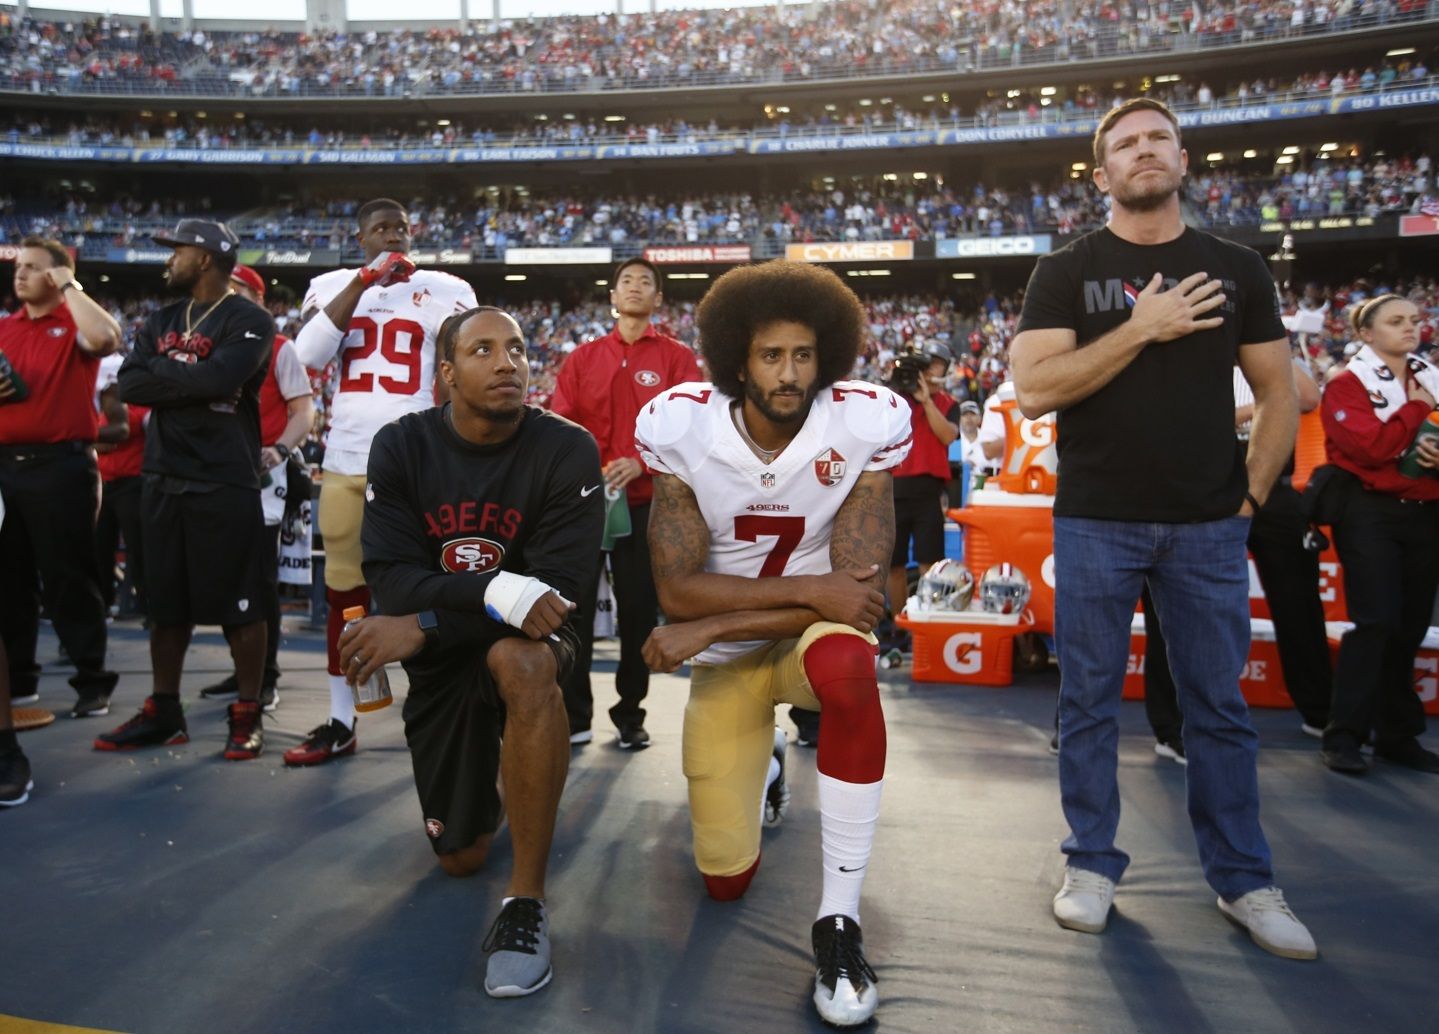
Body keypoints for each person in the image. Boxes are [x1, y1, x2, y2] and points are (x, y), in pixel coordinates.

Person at [1011, 98, 1316, 960]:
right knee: (1087, 702)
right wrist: (1140, 328)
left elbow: (1280, 394)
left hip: (1207, 527)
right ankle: (1091, 864)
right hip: (1097, 520)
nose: (1144, 152)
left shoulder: (1236, 266)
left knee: (1218, 708)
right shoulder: (1066, 269)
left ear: (1183, 161)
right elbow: (1035, 389)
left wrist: (1250, 500)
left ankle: (1244, 880)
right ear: (1101, 175)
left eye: (1158, 140)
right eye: (1125, 145)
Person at [635, 261, 912, 1027]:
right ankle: (766, 770)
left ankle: (838, 924)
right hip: (728, 669)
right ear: (736, 358)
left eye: (802, 355)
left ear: (828, 357)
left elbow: (853, 603)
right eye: (769, 356)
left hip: (802, 644)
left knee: (848, 664)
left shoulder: (862, 421)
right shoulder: (677, 425)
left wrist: (716, 622)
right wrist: (801, 593)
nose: (787, 375)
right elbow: (677, 592)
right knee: (723, 881)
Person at [340, 307, 603, 998]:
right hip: (449, 646)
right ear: (447, 374)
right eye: (483, 350)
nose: (508, 362)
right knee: (460, 856)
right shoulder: (401, 445)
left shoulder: (568, 448)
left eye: (516, 348)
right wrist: (490, 592)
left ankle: (525, 903)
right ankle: (500, 775)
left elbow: (555, 598)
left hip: (534, 643)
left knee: (519, 660)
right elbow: (390, 579)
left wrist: (425, 620)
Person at [290, 198, 477, 767]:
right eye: (380, 228)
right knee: (345, 595)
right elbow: (306, 357)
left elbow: (462, 366)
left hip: (418, 459)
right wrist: (364, 283)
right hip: (347, 458)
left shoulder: (447, 287)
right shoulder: (331, 284)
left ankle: (444, 709)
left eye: (400, 227)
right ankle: (345, 717)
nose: (392, 235)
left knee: (431, 587)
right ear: (361, 236)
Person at [99, 219, 276, 761]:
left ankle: (247, 711)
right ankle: (164, 711)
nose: (169, 260)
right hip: (162, 475)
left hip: (224, 476)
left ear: (204, 257)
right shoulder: (161, 318)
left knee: (241, 604)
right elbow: (131, 384)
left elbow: (221, 381)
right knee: (165, 606)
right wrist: (190, 373)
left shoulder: (249, 318)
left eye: (177, 251)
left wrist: (167, 371)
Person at [1144, 357, 1335, 760]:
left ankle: (1321, 711)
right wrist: (1267, 405)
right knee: (1178, 608)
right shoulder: (1181, 345)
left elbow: (1305, 396)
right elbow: (1184, 420)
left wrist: (1261, 365)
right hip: (1199, 483)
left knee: (1299, 603)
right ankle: (1172, 726)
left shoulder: (1268, 344)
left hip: (1271, 479)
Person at [549, 257, 701, 749]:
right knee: (572, 610)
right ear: (613, 296)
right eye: (626, 281)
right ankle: (574, 714)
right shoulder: (582, 358)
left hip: (646, 505)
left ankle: (630, 710)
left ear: (658, 299)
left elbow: (689, 426)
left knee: (638, 612)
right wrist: (589, 468)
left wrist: (642, 460)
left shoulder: (677, 359)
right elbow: (562, 424)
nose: (635, 288)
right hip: (584, 504)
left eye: (645, 283)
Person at [1315, 294, 1439, 775]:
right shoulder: (1346, 383)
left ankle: (1396, 736)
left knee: (1408, 627)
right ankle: (1343, 735)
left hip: (1426, 512)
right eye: (1396, 321)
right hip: (1370, 512)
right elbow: (1372, 448)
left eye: (1414, 319)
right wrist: (1416, 412)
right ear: (1366, 334)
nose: (1411, 327)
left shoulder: (1428, 375)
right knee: (1375, 622)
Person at [0, 236, 122, 718]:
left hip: (60, 465)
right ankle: (20, 678)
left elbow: (107, 338)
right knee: (8, 581)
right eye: (19, 266)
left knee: (69, 577)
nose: (22, 274)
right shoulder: (5, 328)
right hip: (5, 466)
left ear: (56, 276)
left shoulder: (74, 322)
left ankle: (92, 681)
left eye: (34, 267)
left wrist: (69, 283)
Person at [196, 265, 315, 713]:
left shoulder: (279, 347)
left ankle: (265, 676)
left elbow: (304, 412)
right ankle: (244, 666)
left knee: (258, 579)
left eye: (237, 291)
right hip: (217, 471)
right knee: (225, 577)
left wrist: (280, 449)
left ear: (258, 298)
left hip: (261, 472)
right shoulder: (210, 346)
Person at [884, 340, 959, 646]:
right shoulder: (893, 400)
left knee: (930, 561)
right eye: (926, 364)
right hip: (894, 487)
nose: (930, 370)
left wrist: (926, 400)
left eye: (936, 364)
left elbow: (947, 436)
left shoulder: (947, 403)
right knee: (894, 564)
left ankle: (927, 624)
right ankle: (900, 626)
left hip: (928, 490)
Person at [93, 353, 148, 621]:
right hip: (105, 481)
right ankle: (102, 603)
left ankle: (146, 604)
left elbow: (119, 436)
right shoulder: (102, 408)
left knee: (140, 546)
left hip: (132, 481)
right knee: (100, 547)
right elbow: (107, 442)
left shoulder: (139, 406)